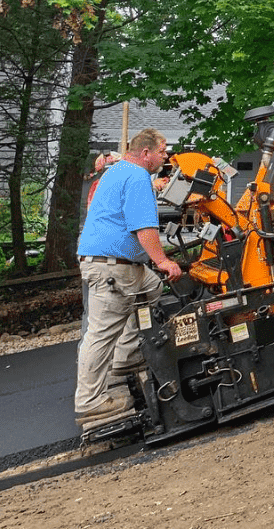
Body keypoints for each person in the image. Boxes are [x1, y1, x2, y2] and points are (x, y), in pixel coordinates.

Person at [73, 128, 183, 430]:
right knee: (100, 332)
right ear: (145, 152)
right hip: (111, 269)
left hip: (115, 264)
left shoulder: (118, 171)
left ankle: (127, 355)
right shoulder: (136, 177)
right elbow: (144, 228)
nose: (166, 155)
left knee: (151, 286)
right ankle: (90, 402)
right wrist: (163, 261)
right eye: (162, 150)